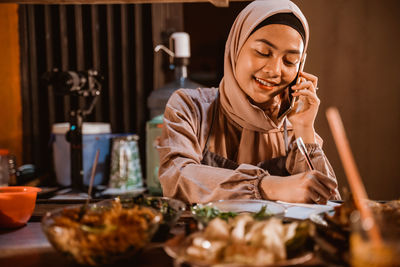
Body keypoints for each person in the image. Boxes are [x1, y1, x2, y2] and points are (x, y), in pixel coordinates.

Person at [158, 0, 340, 204]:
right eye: (263, 52)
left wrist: (305, 130)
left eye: (290, 61)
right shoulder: (191, 107)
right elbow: (176, 178)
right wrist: (266, 185)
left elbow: (329, 208)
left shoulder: (294, 126)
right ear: (236, 47)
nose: (274, 70)